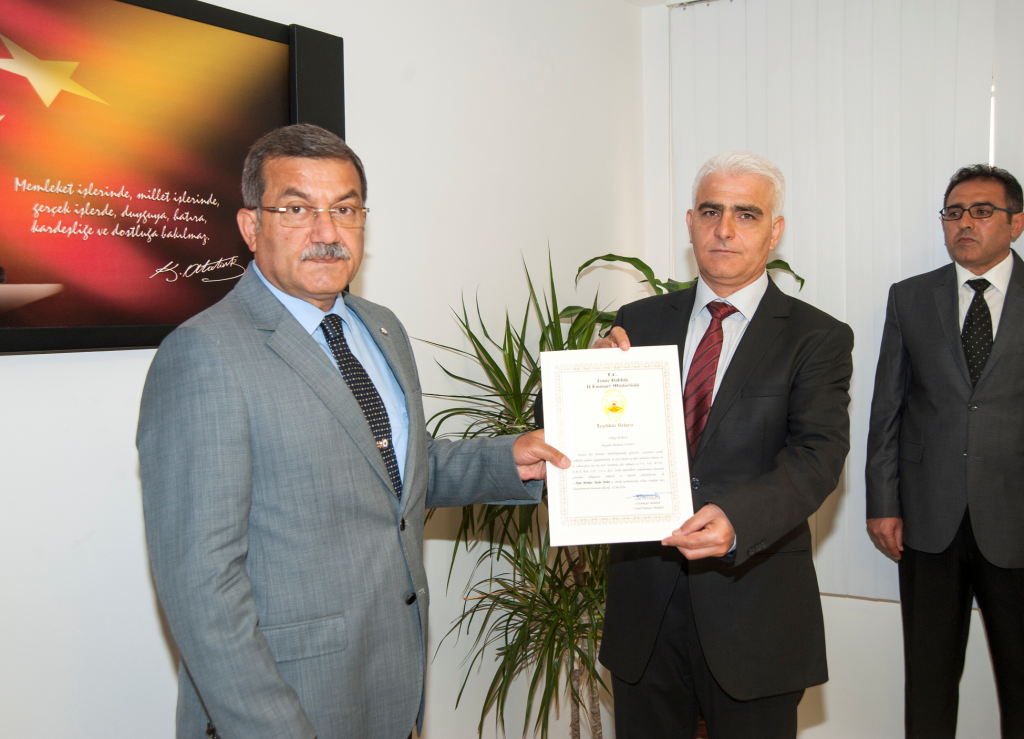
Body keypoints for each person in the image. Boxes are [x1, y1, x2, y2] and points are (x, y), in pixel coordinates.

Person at [137, 124, 568, 739]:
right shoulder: (204, 355)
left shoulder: (379, 327)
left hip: (390, 684)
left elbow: (391, 472)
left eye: (345, 209)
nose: (326, 232)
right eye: (296, 209)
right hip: (287, 704)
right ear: (251, 227)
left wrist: (509, 459)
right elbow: (202, 588)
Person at [592, 151, 853, 739]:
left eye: (746, 214)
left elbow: (816, 457)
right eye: (711, 212)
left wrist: (737, 519)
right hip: (645, 608)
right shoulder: (638, 320)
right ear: (690, 223)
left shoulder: (817, 337)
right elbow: (570, 435)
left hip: (755, 606)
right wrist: (589, 377)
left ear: (774, 231)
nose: (725, 229)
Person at [866, 164, 1024, 739]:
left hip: (1016, 520)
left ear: (1016, 223)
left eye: (982, 211)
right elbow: (887, 408)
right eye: (954, 213)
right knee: (929, 683)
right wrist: (883, 503)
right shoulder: (910, 297)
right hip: (929, 521)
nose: (965, 223)